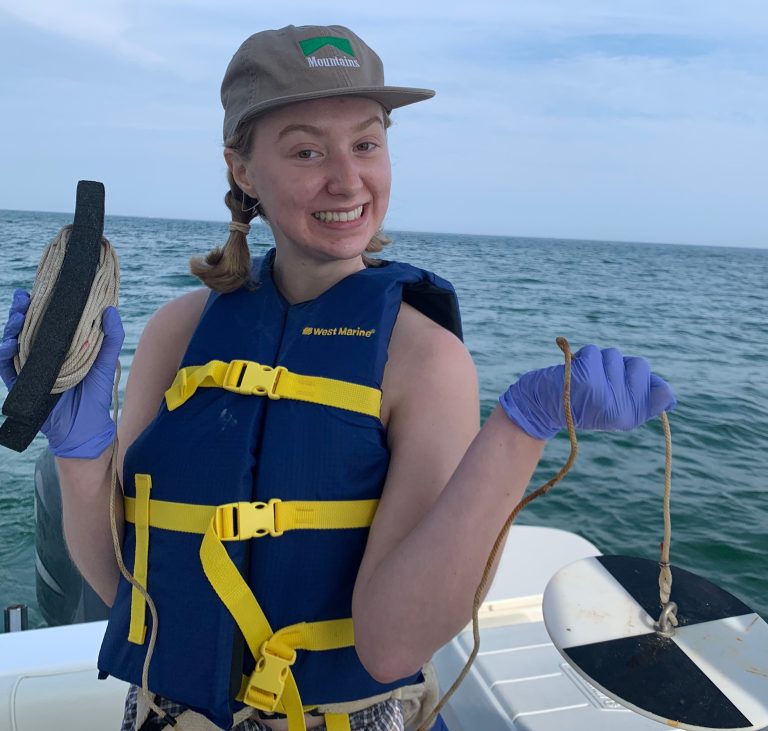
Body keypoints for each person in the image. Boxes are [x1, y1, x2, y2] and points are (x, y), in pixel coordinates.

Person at [0, 24, 675, 731]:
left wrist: (520, 427)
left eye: (366, 143)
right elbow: (124, 585)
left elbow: (391, 645)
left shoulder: (426, 358)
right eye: (306, 150)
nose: (348, 179)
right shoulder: (177, 331)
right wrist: (79, 460)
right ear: (242, 169)